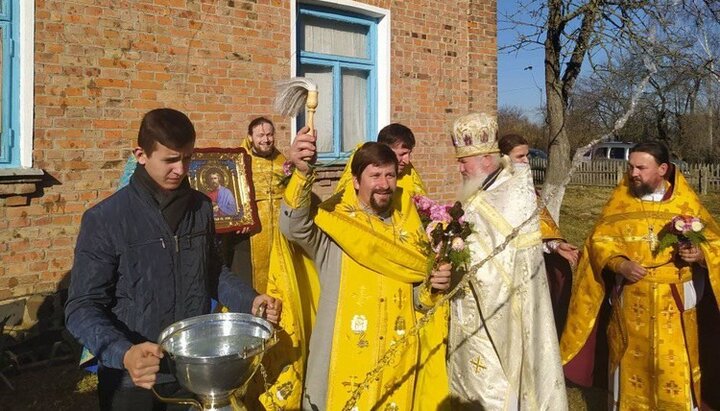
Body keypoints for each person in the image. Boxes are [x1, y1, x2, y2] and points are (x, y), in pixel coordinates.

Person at [64, 108, 282, 410]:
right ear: (140, 154)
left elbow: (212, 272)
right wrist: (124, 353)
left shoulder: (201, 208)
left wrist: (251, 300)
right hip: (133, 379)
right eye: (170, 160)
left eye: (187, 158)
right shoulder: (106, 220)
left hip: (193, 369)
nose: (181, 169)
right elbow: (82, 307)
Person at [280, 129, 451, 410]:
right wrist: (301, 173)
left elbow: (418, 301)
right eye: (375, 176)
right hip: (342, 359)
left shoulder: (409, 229)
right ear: (357, 181)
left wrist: (433, 287)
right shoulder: (335, 226)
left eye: (390, 175)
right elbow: (293, 227)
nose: (384, 184)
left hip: (397, 363)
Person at [560, 141, 720, 409]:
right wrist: (619, 264)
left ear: (662, 169)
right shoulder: (620, 202)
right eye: (630, 167)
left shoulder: (686, 202)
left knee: (675, 371)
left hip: (676, 307)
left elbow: (714, 242)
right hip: (632, 305)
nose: (633, 173)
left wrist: (701, 255)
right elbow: (598, 242)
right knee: (631, 373)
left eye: (641, 167)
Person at [447, 113, 567, 409]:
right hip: (473, 308)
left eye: (465, 161)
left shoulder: (511, 191)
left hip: (503, 309)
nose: (460, 168)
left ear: (487, 159)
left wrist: (455, 250)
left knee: (497, 385)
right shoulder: (481, 190)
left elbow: (502, 260)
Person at [498, 133, 579, 335]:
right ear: (504, 159)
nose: (526, 161)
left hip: (530, 270)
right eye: (520, 157)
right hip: (503, 271)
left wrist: (555, 245)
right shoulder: (493, 191)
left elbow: (541, 227)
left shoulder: (529, 191)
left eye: (527, 155)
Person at [222, 116, 286, 293]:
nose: (266, 139)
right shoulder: (237, 161)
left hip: (277, 236)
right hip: (247, 237)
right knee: (246, 285)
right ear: (250, 137)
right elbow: (227, 197)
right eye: (260, 135)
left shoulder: (282, 162)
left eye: (270, 134)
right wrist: (238, 221)